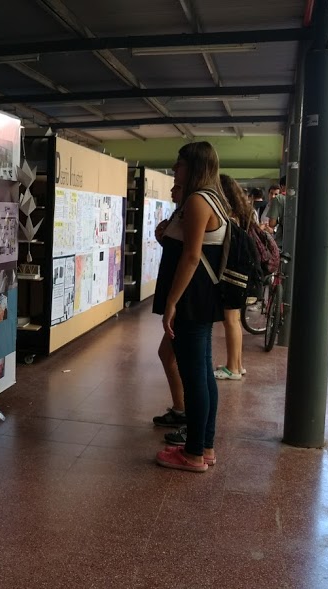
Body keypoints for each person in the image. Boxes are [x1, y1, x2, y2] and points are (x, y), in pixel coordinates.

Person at [151, 141, 226, 473]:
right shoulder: (211, 199)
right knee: (202, 373)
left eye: (179, 164)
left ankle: (194, 453)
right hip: (201, 296)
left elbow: (192, 256)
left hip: (191, 298)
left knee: (195, 376)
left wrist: (172, 302)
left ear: (194, 166)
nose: (174, 169)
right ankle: (204, 445)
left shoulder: (197, 201)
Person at [213, 174, 255, 380]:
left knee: (230, 320)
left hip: (232, 274)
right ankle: (237, 364)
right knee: (234, 319)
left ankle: (233, 368)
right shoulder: (242, 214)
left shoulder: (228, 217)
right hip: (241, 273)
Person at [152, 185, 187, 429]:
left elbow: (191, 257)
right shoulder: (181, 212)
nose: (172, 190)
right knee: (167, 354)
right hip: (180, 296)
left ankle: (187, 416)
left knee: (188, 362)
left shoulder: (192, 210)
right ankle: (180, 409)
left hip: (184, 299)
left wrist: (173, 302)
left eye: (178, 186)